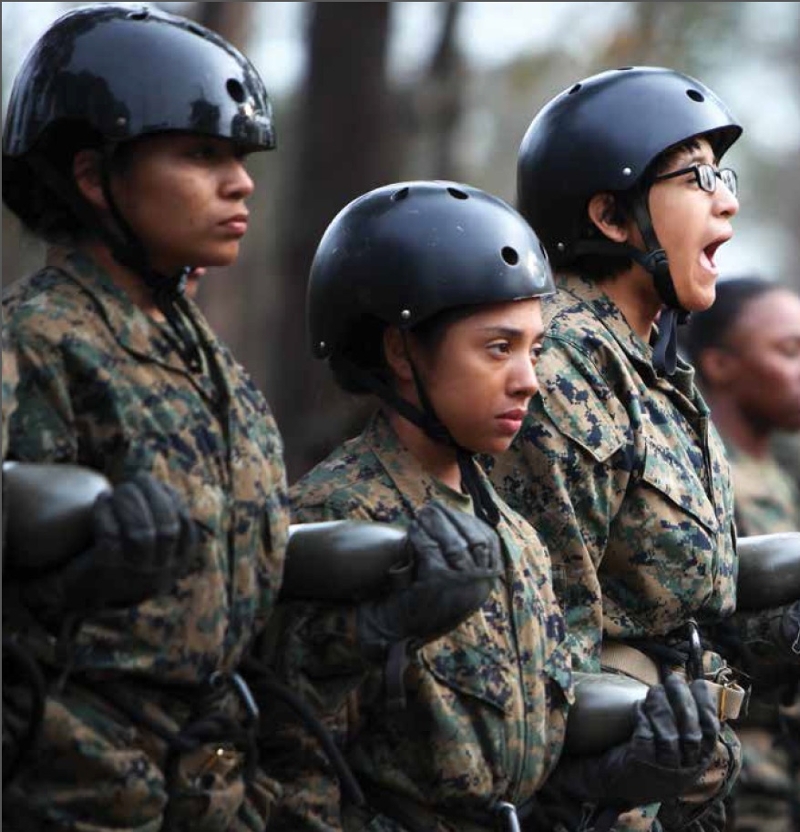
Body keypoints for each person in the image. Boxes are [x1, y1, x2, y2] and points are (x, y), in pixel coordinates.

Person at [260, 180, 721, 832]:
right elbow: (288, 758)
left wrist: (612, 779)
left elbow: (523, 765)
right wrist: (371, 631)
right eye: (498, 348)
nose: (528, 378)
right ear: (400, 350)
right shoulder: (338, 527)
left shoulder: (515, 536)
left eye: (534, 350)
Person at [1, 5, 291, 829]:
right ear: (95, 177)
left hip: (216, 783)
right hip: (77, 790)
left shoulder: (211, 364)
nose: (241, 182)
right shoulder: (36, 345)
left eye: (238, 157)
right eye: (202, 154)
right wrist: (74, 584)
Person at [486, 66, 748, 832]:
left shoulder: (648, 361)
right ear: (610, 215)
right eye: (698, 177)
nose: (727, 199)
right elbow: (551, 638)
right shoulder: (563, 366)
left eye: (722, 176)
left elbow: (679, 587)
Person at [684, 275, 800, 832]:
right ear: (721, 365)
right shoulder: (699, 480)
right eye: (789, 350)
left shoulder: (781, 470)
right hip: (743, 777)